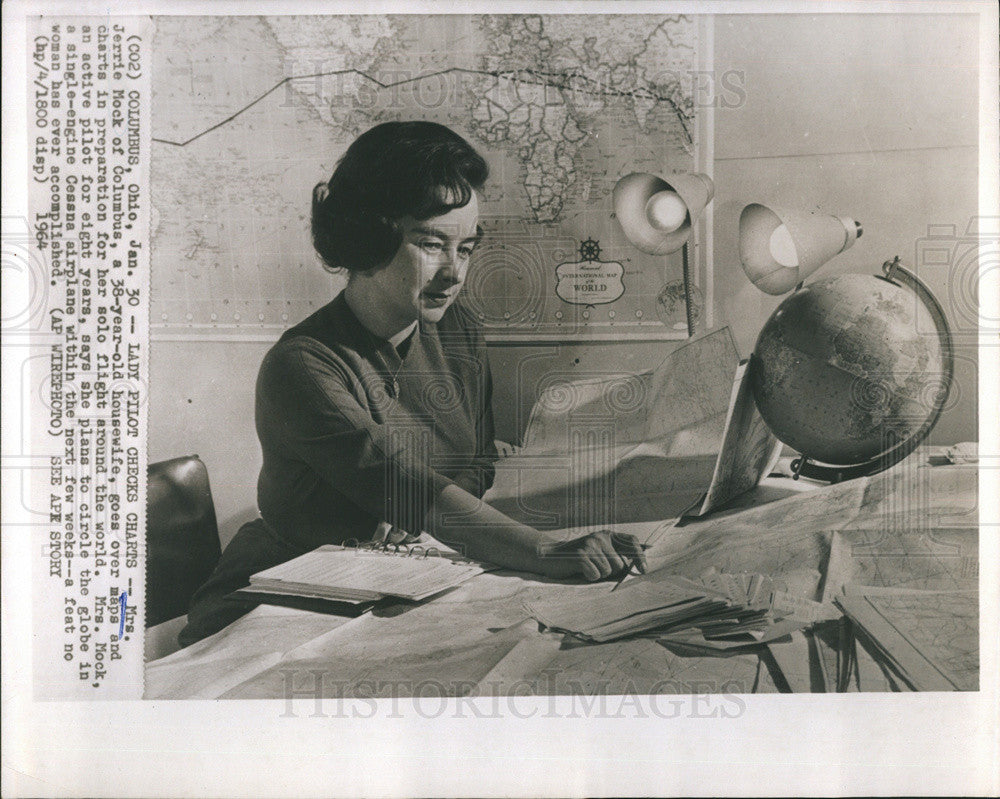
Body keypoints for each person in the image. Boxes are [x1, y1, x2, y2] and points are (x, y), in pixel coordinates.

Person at [179, 121, 645, 647]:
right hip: (281, 599)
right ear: (368, 236)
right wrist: (543, 550)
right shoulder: (302, 365)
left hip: (404, 583)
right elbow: (404, 483)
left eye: (466, 248)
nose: (455, 272)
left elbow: (476, 462)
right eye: (431, 244)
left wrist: (420, 524)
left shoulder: (460, 331)